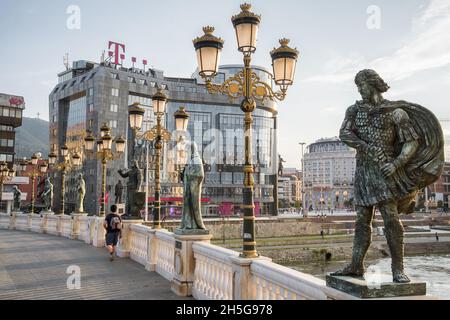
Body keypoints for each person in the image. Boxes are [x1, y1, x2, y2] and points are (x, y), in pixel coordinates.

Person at [332, 69, 444, 283]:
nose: (359, 90)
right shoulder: (354, 111)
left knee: (391, 218)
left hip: (386, 169)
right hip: (364, 170)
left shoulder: (395, 112)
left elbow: (412, 142)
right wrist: (364, 146)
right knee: (362, 219)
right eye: (357, 87)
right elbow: (344, 133)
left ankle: (397, 269)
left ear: (372, 84)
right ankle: (356, 265)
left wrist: (397, 163)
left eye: (362, 86)